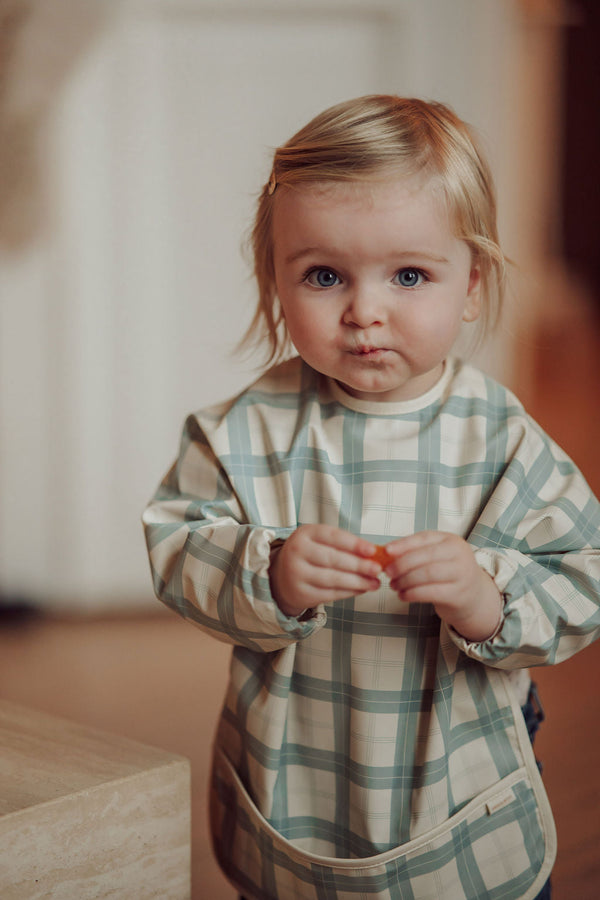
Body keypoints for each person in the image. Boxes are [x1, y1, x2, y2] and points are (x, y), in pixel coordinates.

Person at [142, 96, 600, 900]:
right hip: (294, 761)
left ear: (470, 285)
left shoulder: (501, 437)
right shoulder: (246, 430)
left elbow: (583, 574)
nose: (364, 311)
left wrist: (487, 595)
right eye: (324, 275)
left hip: (460, 764)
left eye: (410, 275)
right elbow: (177, 544)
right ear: (275, 283)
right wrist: (269, 572)